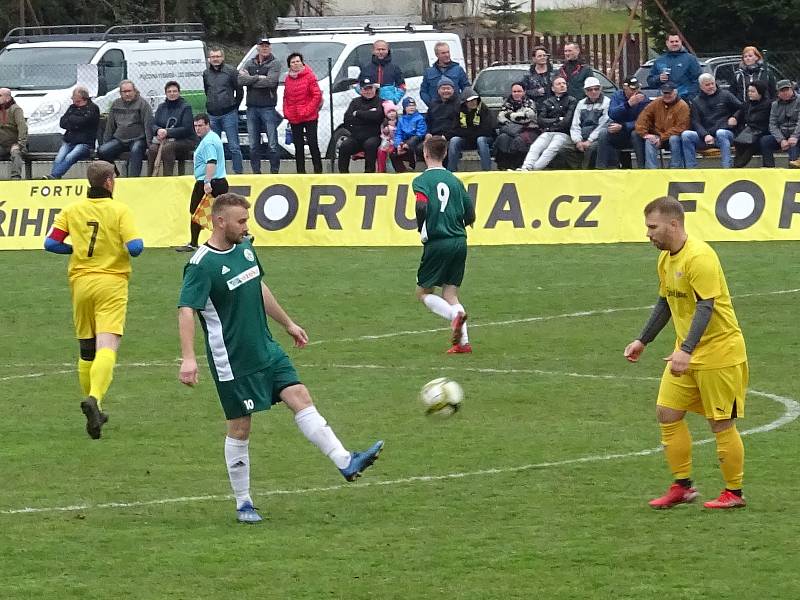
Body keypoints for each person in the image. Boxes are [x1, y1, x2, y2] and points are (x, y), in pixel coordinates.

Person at [177, 192, 384, 523]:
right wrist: (188, 358)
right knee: (240, 427)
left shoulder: (245, 248)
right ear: (219, 221)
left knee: (300, 396)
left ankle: (345, 460)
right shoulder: (202, 265)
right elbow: (187, 309)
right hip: (234, 359)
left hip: (267, 347)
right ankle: (244, 502)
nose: (246, 227)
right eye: (241, 221)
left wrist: (288, 323)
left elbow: (259, 286)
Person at [624, 196, 748, 511]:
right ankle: (683, 486)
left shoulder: (700, 257)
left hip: (719, 353)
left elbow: (706, 306)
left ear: (673, 224)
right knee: (667, 412)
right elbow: (665, 301)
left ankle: (734, 492)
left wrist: (687, 350)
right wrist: (643, 340)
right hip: (686, 354)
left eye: (653, 227)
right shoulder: (666, 259)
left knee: (721, 423)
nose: (648, 234)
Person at [44, 160, 144, 439]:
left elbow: (50, 243)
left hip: (81, 283)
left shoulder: (72, 210)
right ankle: (95, 399)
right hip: (111, 283)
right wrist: (126, 245)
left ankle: (95, 409)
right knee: (108, 344)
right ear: (109, 182)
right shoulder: (119, 210)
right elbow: (135, 248)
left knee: (86, 349)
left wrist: (76, 250)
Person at [413, 136, 475, 354]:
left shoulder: (421, 181)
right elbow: (470, 212)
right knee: (450, 293)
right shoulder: (456, 181)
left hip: (438, 241)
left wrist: (422, 228)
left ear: (425, 154)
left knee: (423, 291)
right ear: (446, 154)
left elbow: (421, 206)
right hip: (459, 240)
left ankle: (453, 316)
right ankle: (463, 344)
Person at [176, 113, 229, 253]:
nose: (197, 129)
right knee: (220, 213)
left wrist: (207, 182)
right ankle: (241, 236)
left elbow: (211, 162)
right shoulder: (212, 137)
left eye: (200, 125)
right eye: (195, 126)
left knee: (196, 211)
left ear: (208, 124)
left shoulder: (207, 142)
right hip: (218, 180)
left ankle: (194, 242)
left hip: (209, 181)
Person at [239, 38, 282, 174]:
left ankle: (274, 172)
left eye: (267, 46)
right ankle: (256, 173)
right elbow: (240, 80)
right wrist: (258, 77)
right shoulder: (249, 63)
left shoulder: (275, 63)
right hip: (251, 108)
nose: (265, 48)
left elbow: (271, 82)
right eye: (262, 46)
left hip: (268, 107)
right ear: (257, 48)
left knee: (272, 143)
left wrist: (251, 79)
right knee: (253, 145)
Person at [681, 73, 742, 169]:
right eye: (707, 85)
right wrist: (705, 135)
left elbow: (742, 108)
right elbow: (695, 122)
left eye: (712, 83)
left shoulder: (726, 95)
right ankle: (691, 169)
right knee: (686, 135)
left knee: (721, 133)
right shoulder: (696, 101)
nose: (711, 86)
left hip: (725, 134)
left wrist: (735, 117)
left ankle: (727, 168)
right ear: (701, 87)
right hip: (706, 137)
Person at [519, 76, 576, 171]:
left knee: (552, 148)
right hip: (548, 132)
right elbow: (540, 120)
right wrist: (557, 119)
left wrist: (551, 122)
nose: (562, 85)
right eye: (559, 84)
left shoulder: (571, 100)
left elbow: (567, 121)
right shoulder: (548, 102)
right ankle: (526, 167)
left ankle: (534, 170)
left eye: (564, 83)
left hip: (564, 134)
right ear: (553, 88)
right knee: (536, 146)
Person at [97, 80, 153, 177]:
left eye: (129, 91)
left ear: (134, 91)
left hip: (138, 139)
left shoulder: (143, 104)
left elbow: (148, 125)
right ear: (120, 93)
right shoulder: (115, 104)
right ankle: (115, 174)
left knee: (136, 150)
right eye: (124, 92)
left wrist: (149, 145)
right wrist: (106, 142)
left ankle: (133, 180)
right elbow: (110, 126)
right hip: (119, 140)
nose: (127, 94)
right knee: (102, 151)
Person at [203, 47, 244, 175]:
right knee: (214, 147)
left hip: (229, 114)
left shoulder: (231, 71)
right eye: (213, 57)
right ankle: (217, 174)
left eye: (217, 56)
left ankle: (238, 172)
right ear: (209, 59)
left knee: (234, 146)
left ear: (222, 57)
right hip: (212, 115)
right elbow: (207, 90)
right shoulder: (206, 73)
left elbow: (240, 91)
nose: (215, 59)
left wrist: (233, 107)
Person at [555, 76, 610, 169]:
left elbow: (603, 125)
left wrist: (589, 140)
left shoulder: (607, 102)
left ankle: (585, 172)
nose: (593, 92)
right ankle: (576, 169)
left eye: (596, 89)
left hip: (596, 139)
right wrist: (578, 141)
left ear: (600, 89)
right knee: (562, 149)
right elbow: (575, 124)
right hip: (581, 138)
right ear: (585, 91)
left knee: (592, 149)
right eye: (590, 90)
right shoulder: (581, 103)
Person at [633, 82, 691, 169]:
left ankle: (674, 168)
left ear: (675, 92)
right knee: (650, 140)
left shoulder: (683, 106)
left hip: (672, 136)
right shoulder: (656, 103)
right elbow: (642, 119)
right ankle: (651, 170)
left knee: (674, 139)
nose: (667, 95)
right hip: (658, 135)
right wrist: (646, 134)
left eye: (669, 93)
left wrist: (662, 137)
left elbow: (681, 127)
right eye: (665, 93)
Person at [282, 52, 323, 174]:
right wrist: (287, 112)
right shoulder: (288, 79)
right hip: (294, 117)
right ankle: (300, 172)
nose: (295, 64)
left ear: (302, 62)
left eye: (297, 61)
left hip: (309, 116)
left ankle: (318, 171)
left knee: (312, 143)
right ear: (289, 65)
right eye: (293, 62)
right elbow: (286, 97)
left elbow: (317, 95)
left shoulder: (310, 76)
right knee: (298, 146)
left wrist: (307, 110)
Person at [595, 76, 649, 169]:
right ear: (625, 88)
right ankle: (601, 167)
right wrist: (628, 105)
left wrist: (624, 126)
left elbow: (643, 121)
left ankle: (642, 167)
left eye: (637, 89)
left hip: (633, 130)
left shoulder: (643, 99)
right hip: (619, 132)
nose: (634, 92)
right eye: (632, 89)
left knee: (635, 134)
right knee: (604, 133)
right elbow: (612, 114)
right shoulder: (617, 96)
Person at [47, 86, 99, 180]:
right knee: (59, 158)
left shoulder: (93, 108)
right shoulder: (72, 107)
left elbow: (85, 122)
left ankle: (54, 176)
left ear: (84, 99)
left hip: (84, 143)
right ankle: (54, 177)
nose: (74, 102)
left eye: (76, 100)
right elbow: (62, 122)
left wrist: (72, 120)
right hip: (69, 140)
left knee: (70, 157)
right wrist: (76, 123)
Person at [146, 81, 196, 176]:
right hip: (164, 140)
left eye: (174, 91)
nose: (172, 93)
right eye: (169, 91)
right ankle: (151, 178)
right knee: (152, 149)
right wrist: (158, 130)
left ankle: (167, 178)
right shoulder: (161, 107)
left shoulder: (186, 107)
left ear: (179, 92)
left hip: (184, 140)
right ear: (166, 93)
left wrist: (167, 132)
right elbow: (153, 125)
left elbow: (187, 128)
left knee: (167, 148)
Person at [338, 75, 384, 173]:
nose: (368, 91)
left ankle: (368, 174)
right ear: (361, 90)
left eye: (370, 88)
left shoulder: (380, 102)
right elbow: (347, 119)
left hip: (373, 137)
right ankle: (343, 175)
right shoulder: (355, 102)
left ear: (374, 88)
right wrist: (368, 115)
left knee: (370, 145)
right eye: (365, 89)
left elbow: (378, 116)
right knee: (344, 146)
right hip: (356, 137)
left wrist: (358, 113)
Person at [493, 82, 538, 171]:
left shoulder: (530, 102)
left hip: (528, 129)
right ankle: (504, 166)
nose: (516, 93)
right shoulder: (507, 102)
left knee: (520, 139)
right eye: (514, 91)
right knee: (503, 138)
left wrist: (510, 116)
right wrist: (517, 116)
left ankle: (519, 165)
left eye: (519, 91)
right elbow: (501, 117)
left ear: (524, 92)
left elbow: (528, 117)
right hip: (510, 130)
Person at [448, 87, 494, 172]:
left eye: (475, 100)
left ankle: (487, 171)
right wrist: (470, 133)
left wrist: (467, 133)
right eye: (470, 100)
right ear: (464, 102)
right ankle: (451, 171)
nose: (473, 102)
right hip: (467, 139)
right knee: (454, 140)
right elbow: (454, 130)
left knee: (481, 140)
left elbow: (487, 130)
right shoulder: (458, 110)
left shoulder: (484, 109)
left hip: (484, 139)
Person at [646, 33, 702, 101]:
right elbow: (650, 81)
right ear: (667, 43)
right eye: (672, 42)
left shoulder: (690, 59)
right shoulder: (660, 61)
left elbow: (698, 79)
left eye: (676, 41)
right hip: (664, 100)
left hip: (684, 99)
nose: (674, 44)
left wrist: (690, 96)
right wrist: (658, 78)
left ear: (681, 42)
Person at [731, 81, 771, 168]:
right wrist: (734, 117)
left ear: (760, 92)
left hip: (761, 132)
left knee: (751, 144)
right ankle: (736, 166)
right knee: (740, 142)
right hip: (749, 132)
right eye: (749, 91)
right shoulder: (747, 104)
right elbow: (740, 112)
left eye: (753, 91)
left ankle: (737, 166)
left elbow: (762, 121)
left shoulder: (768, 104)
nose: (750, 94)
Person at [761, 79, 800, 167]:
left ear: (792, 89)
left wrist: (794, 136)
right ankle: (769, 169)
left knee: (793, 146)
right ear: (778, 93)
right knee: (765, 141)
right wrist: (781, 139)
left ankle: (794, 171)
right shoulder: (775, 105)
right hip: (783, 135)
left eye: (787, 89)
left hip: (797, 135)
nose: (785, 92)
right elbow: (772, 124)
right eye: (782, 90)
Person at [420, 42, 470, 107]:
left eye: (448, 52)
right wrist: (431, 104)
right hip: (436, 111)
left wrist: (460, 103)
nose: (447, 55)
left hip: (455, 109)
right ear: (437, 55)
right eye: (443, 53)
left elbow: (466, 89)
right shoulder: (429, 72)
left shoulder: (458, 70)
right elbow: (423, 91)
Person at [358, 39, 406, 104]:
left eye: (383, 49)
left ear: (388, 50)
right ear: (373, 51)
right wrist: (367, 96)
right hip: (370, 104)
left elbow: (402, 86)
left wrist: (394, 99)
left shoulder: (394, 68)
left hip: (388, 106)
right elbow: (359, 86)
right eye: (378, 49)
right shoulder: (366, 69)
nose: (380, 52)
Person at [391, 96, 427, 172]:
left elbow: (420, 133)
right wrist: (398, 144)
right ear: (404, 107)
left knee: (410, 148)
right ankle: (401, 171)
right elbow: (398, 134)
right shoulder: (401, 120)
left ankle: (412, 167)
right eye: (409, 106)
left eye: (413, 105)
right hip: (404, 141)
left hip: (416, 140)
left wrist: (409, 143)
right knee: (393, 153)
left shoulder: (419, 118)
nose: (411, 108)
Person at [0, 86, 27, 180]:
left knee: (16, 153)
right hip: (2, 145)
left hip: (14, 144)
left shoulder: (15, 109)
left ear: (7, 98)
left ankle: (15, 178)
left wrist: (20, 144)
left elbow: (22, 127)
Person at [521, 45, 555, 111]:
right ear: (534, 58)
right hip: (534, 109)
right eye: (539, 56)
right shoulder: (528, 75)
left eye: (544, 55)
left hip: (553, 109)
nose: (543, 57)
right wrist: (536, 92)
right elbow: (522, 92)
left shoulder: (554, 73)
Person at [376, 103, 399, 173]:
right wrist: (386, 133)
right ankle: (381, 170)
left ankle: (395, 170)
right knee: (381, 151)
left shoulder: (399, 122)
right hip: (387, 142)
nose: (392, 114)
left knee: (392, 152)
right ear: (386, 114)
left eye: (393, 111)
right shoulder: (385, 124)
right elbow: (384, 136)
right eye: (389, 112)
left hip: (397, 141)